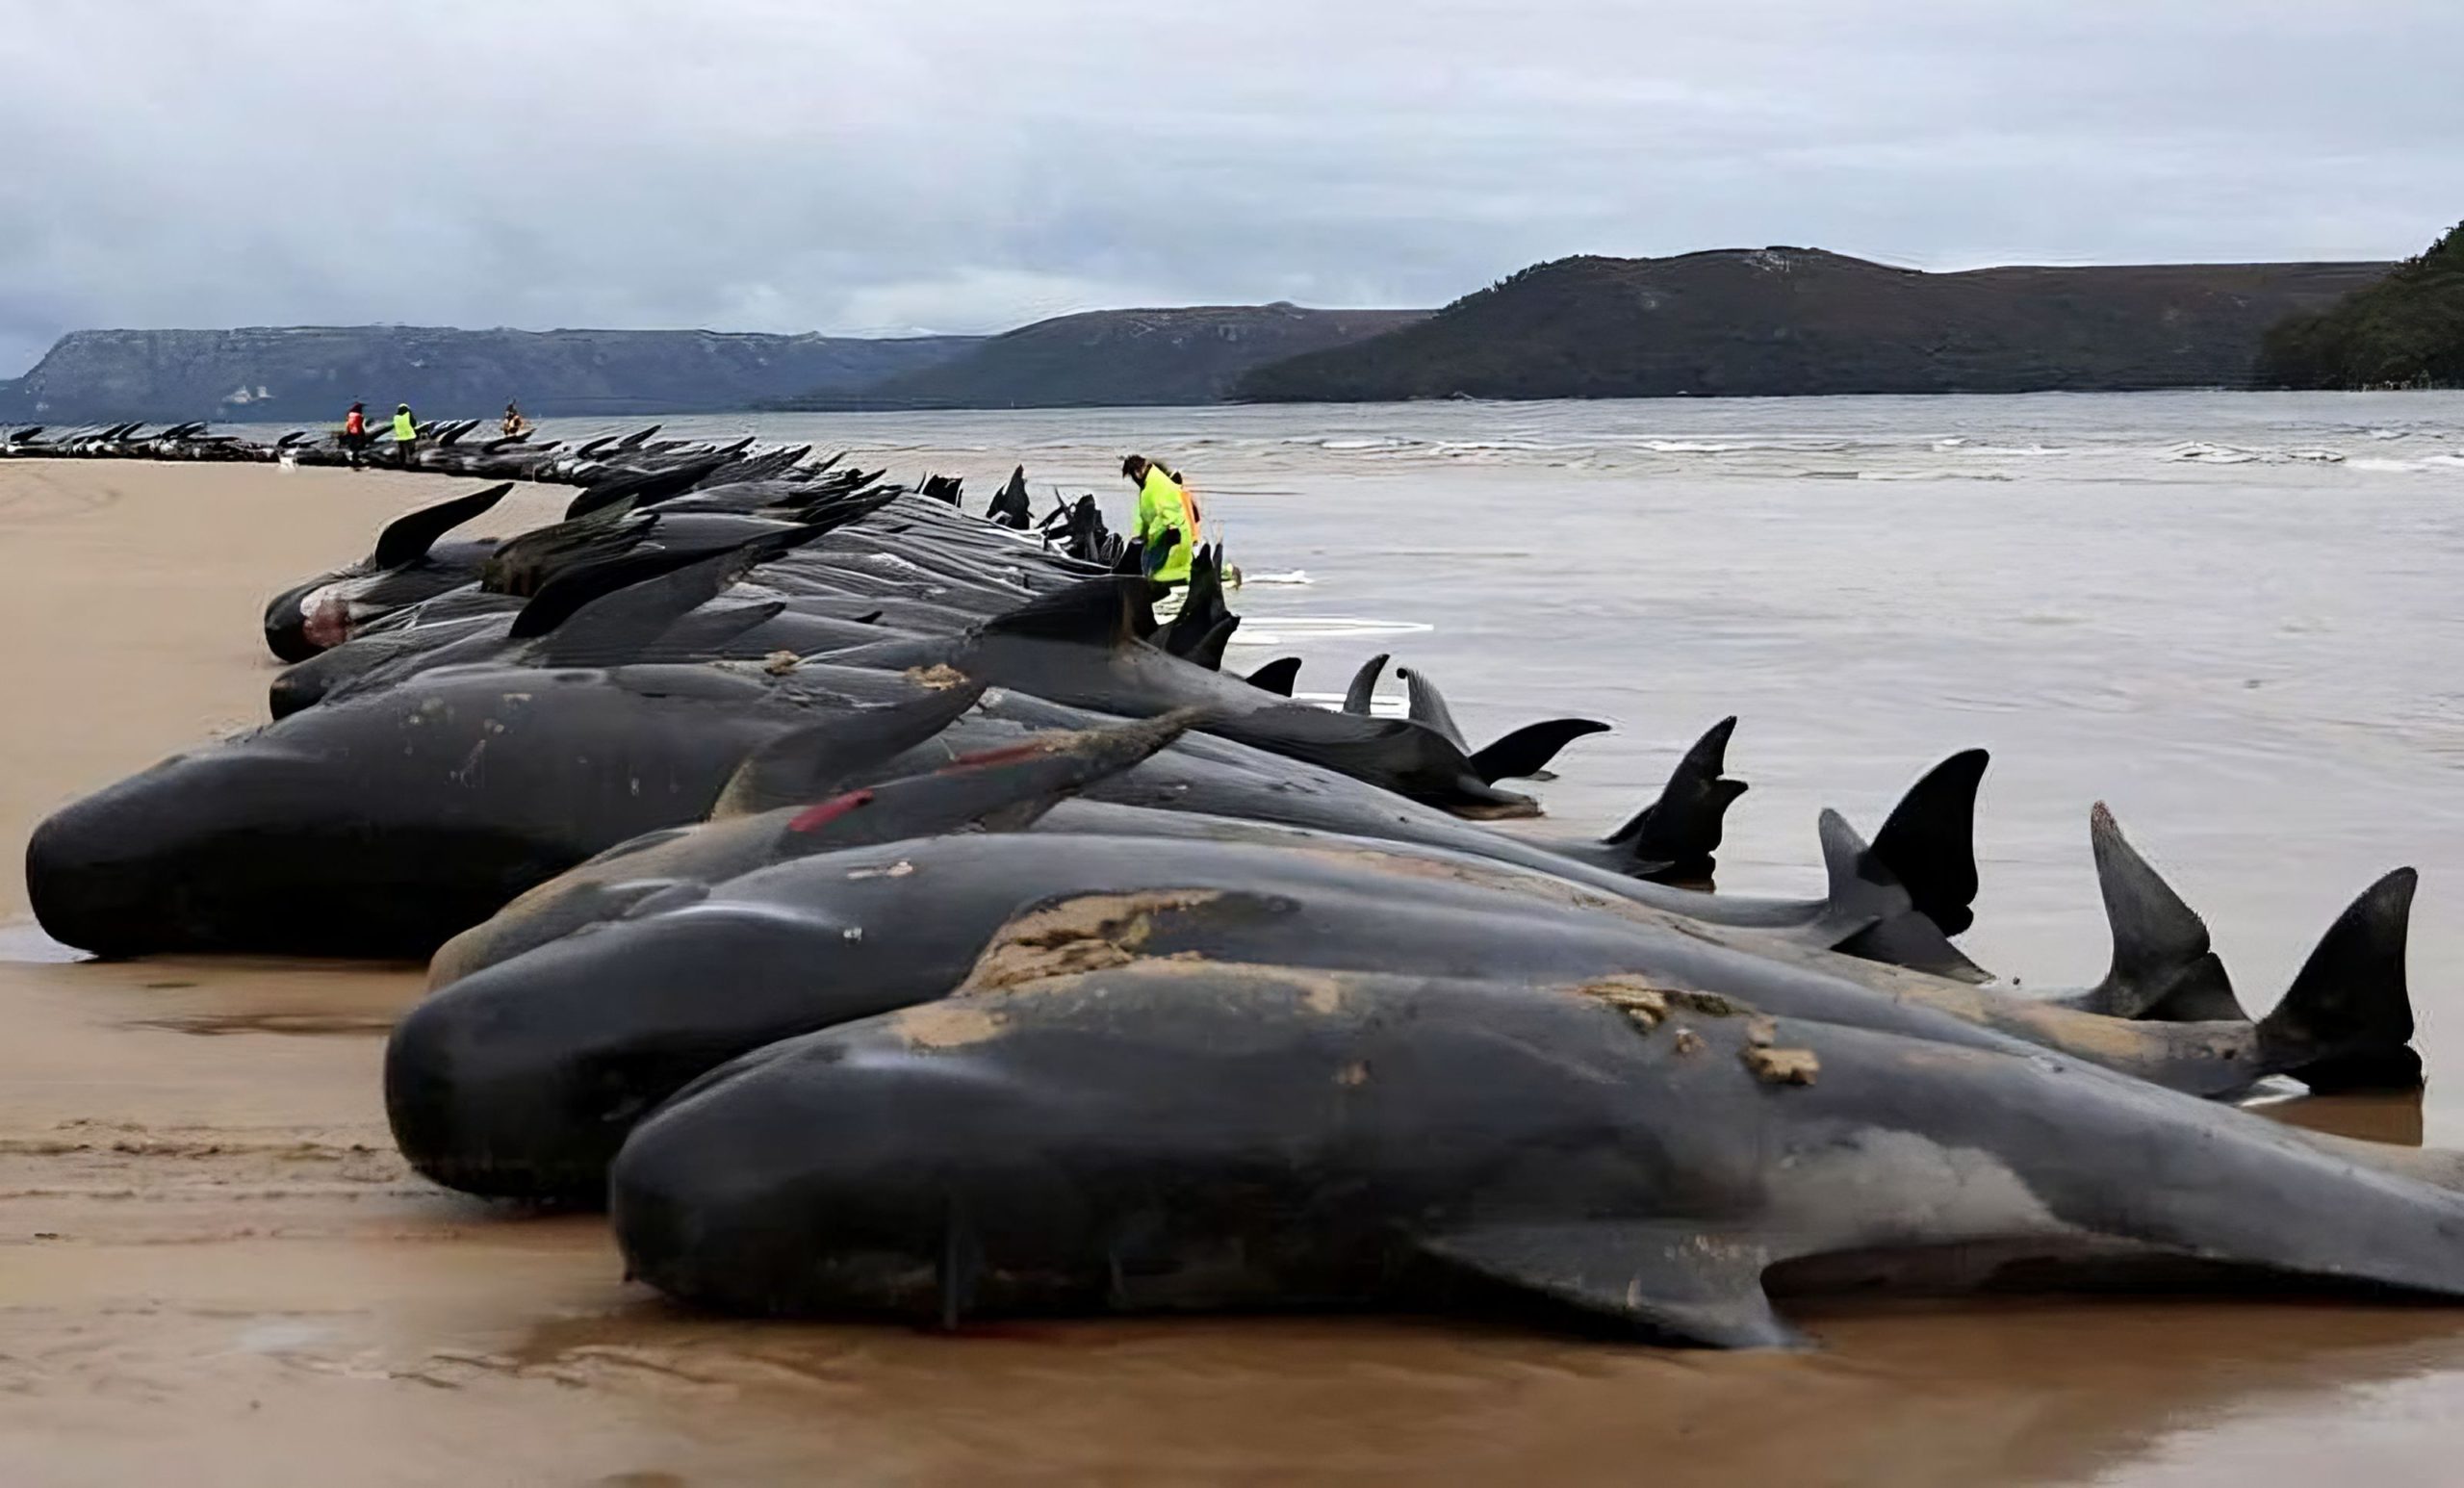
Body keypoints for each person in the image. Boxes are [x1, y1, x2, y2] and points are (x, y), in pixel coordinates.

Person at [1121, 453, 1201, 588]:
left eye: (1132, 476)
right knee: (1144, 560)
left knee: (1153, 565)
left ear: (1137, 472)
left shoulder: (1158, 486)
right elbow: (1147, 516)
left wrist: (1152, 535)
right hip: (1164, 537)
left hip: (1171, 538)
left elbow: (1168, 514)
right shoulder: (1149, 486)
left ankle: (1166, 586)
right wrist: (1142, 535)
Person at [342, 401, 368, 471]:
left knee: (352, 447)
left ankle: (353, 461)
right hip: (356, 432)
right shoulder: (359, 416)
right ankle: (356, 462)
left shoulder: (350, 414)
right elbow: (360, 426)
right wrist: (362, 434)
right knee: (357, 447)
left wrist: (346, 432)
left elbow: (348, 424)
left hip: (350, 432)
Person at [391, 402, 418, 469]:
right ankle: (413, 465)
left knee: (402, 452)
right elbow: (414, 424)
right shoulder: (408, 415)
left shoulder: (395, 417)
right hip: (410, 436)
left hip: (400, 437)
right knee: (411, 451)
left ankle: (402, 464)